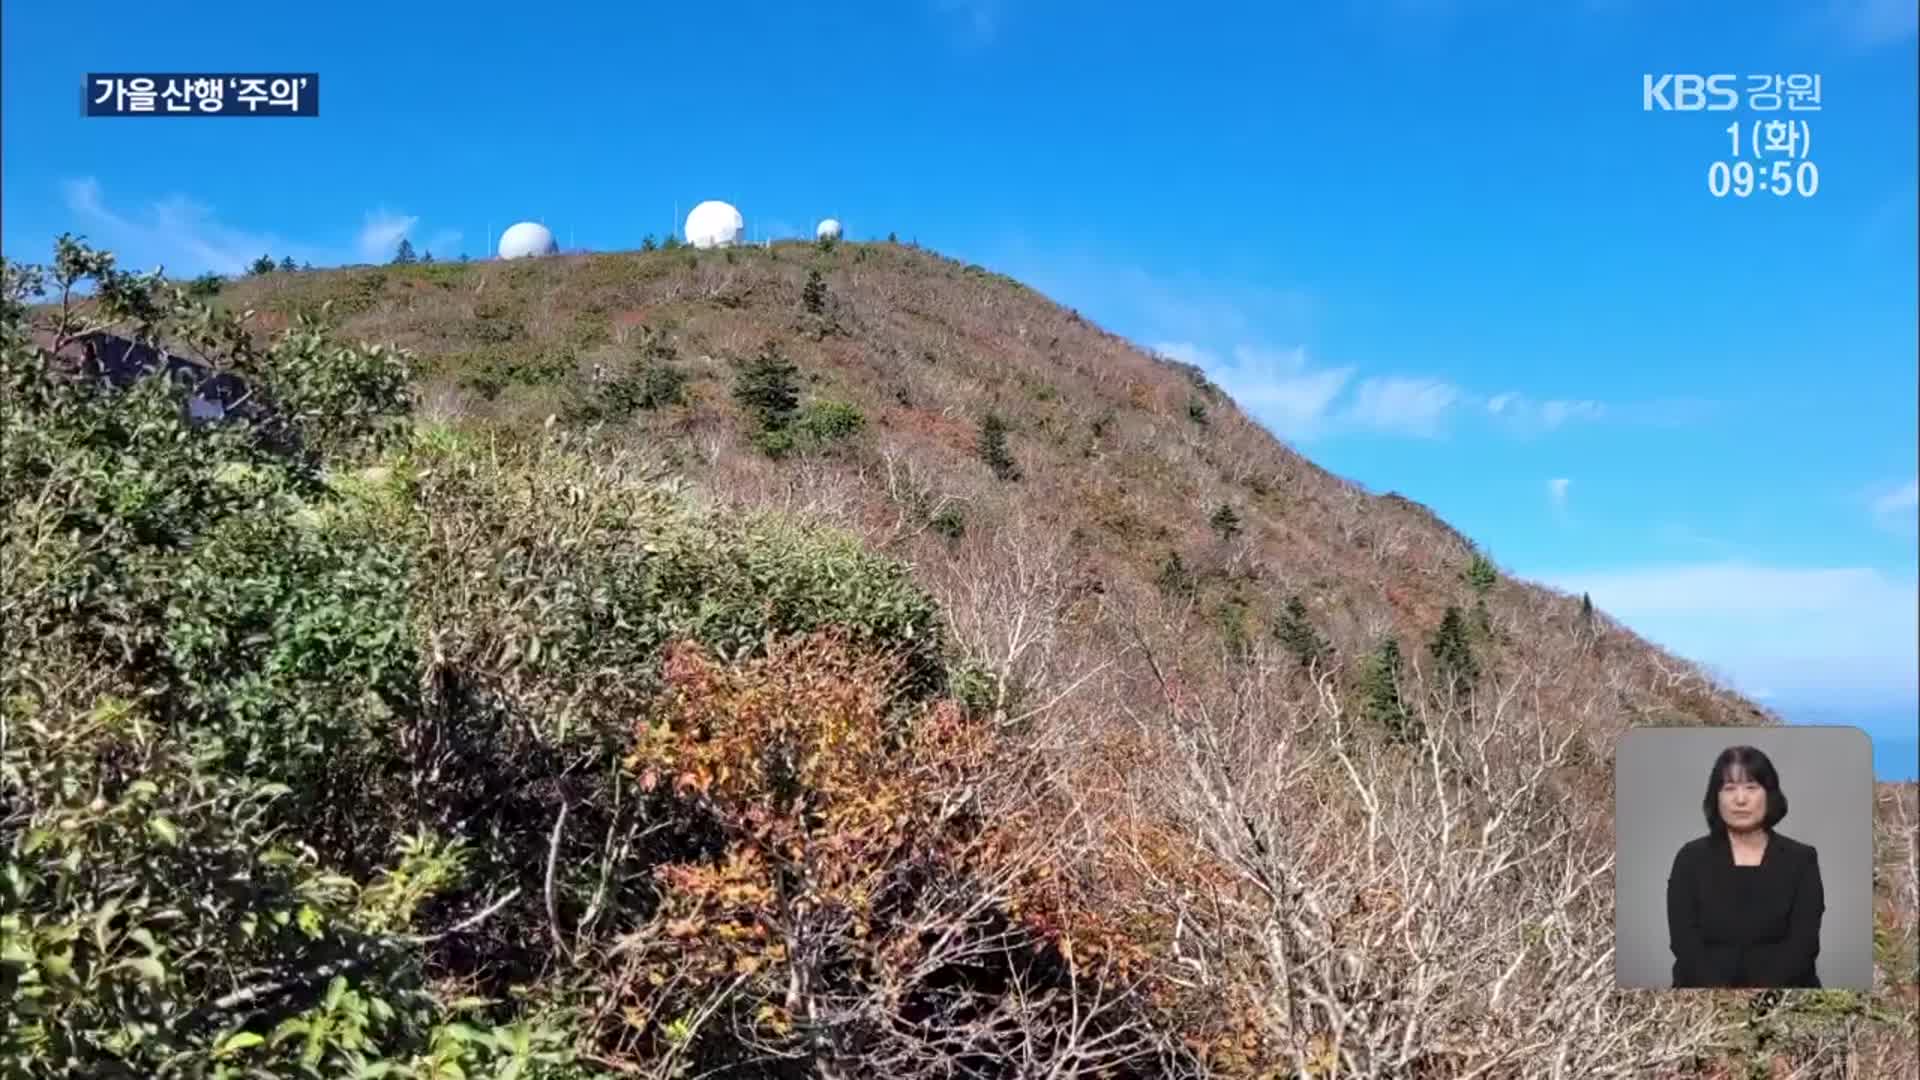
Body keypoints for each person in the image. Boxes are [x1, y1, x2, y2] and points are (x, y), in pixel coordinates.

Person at [1666, 745, 1824, 988]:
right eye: (1729, 788)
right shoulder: (1690, 858)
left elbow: (1804, 945)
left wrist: (1756, 995)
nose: (1740, 799)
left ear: (1769, 794)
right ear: (1716, 797)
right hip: (1702, 995)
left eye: (1751, 787)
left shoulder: (1801, 859)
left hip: (1784, 994)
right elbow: (1684, 942)